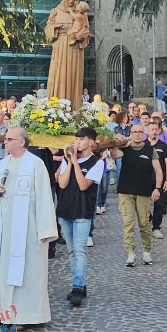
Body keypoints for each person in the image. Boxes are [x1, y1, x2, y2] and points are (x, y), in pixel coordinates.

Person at [0, 127, 58, 329]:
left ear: (22, 142)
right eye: (5, 138)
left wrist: (45, 230)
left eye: (9, 139)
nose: (5, 142)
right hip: (3, 227)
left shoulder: (35, 164)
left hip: (27, 229)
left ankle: (23, 315)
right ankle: (0, 312)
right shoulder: (2, 165)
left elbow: (44, 197)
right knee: (0, 270)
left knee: (26, 272)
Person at [55, 128, 102, 306]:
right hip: (66, 210)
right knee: (72, 251)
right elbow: (62, 182)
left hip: (82, 211)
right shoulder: (69, 160)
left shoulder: (96, 163)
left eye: (81, 139)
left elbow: (83, 185)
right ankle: (80, 284)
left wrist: (75, 162)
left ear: (91, 142)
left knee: (80, 249)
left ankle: (77, 288)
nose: (78, 142)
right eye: (76, 139)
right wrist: (68, 162)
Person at [109, 125, 163, 267]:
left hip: (144, 192)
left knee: (144, 223)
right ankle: (130, 253)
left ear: (144, 134)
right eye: (134, 132)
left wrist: (157, 189)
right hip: (125, 191)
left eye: (140, 132)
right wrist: (113, 143)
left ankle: (146, 250)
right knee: (128, 223)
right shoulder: (125, 149)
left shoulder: (150, 150)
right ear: (130, 134)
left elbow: (158, 170)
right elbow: (115, 154)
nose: (137, 134)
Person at [45, 0, 89, 109]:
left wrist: (81, 36)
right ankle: (55, 108)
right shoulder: (56, 11)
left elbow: (86, 31)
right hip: (60, 47)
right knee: (58, 75)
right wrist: (55, 27)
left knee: (73, 77)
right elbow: (48, 30)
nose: (71, 0)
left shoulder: (81, 12)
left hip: (75, 49)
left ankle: (74, 108)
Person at [148, 120, 167, 240]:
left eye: (156, 129)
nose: (154, 132)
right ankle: (149, 219)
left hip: (160, 180)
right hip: (145, 180)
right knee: (144, 205)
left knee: (159, 205)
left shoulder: (163, 146)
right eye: (151, 129)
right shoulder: (143, 145)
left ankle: (156, 228)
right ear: (147, 131)